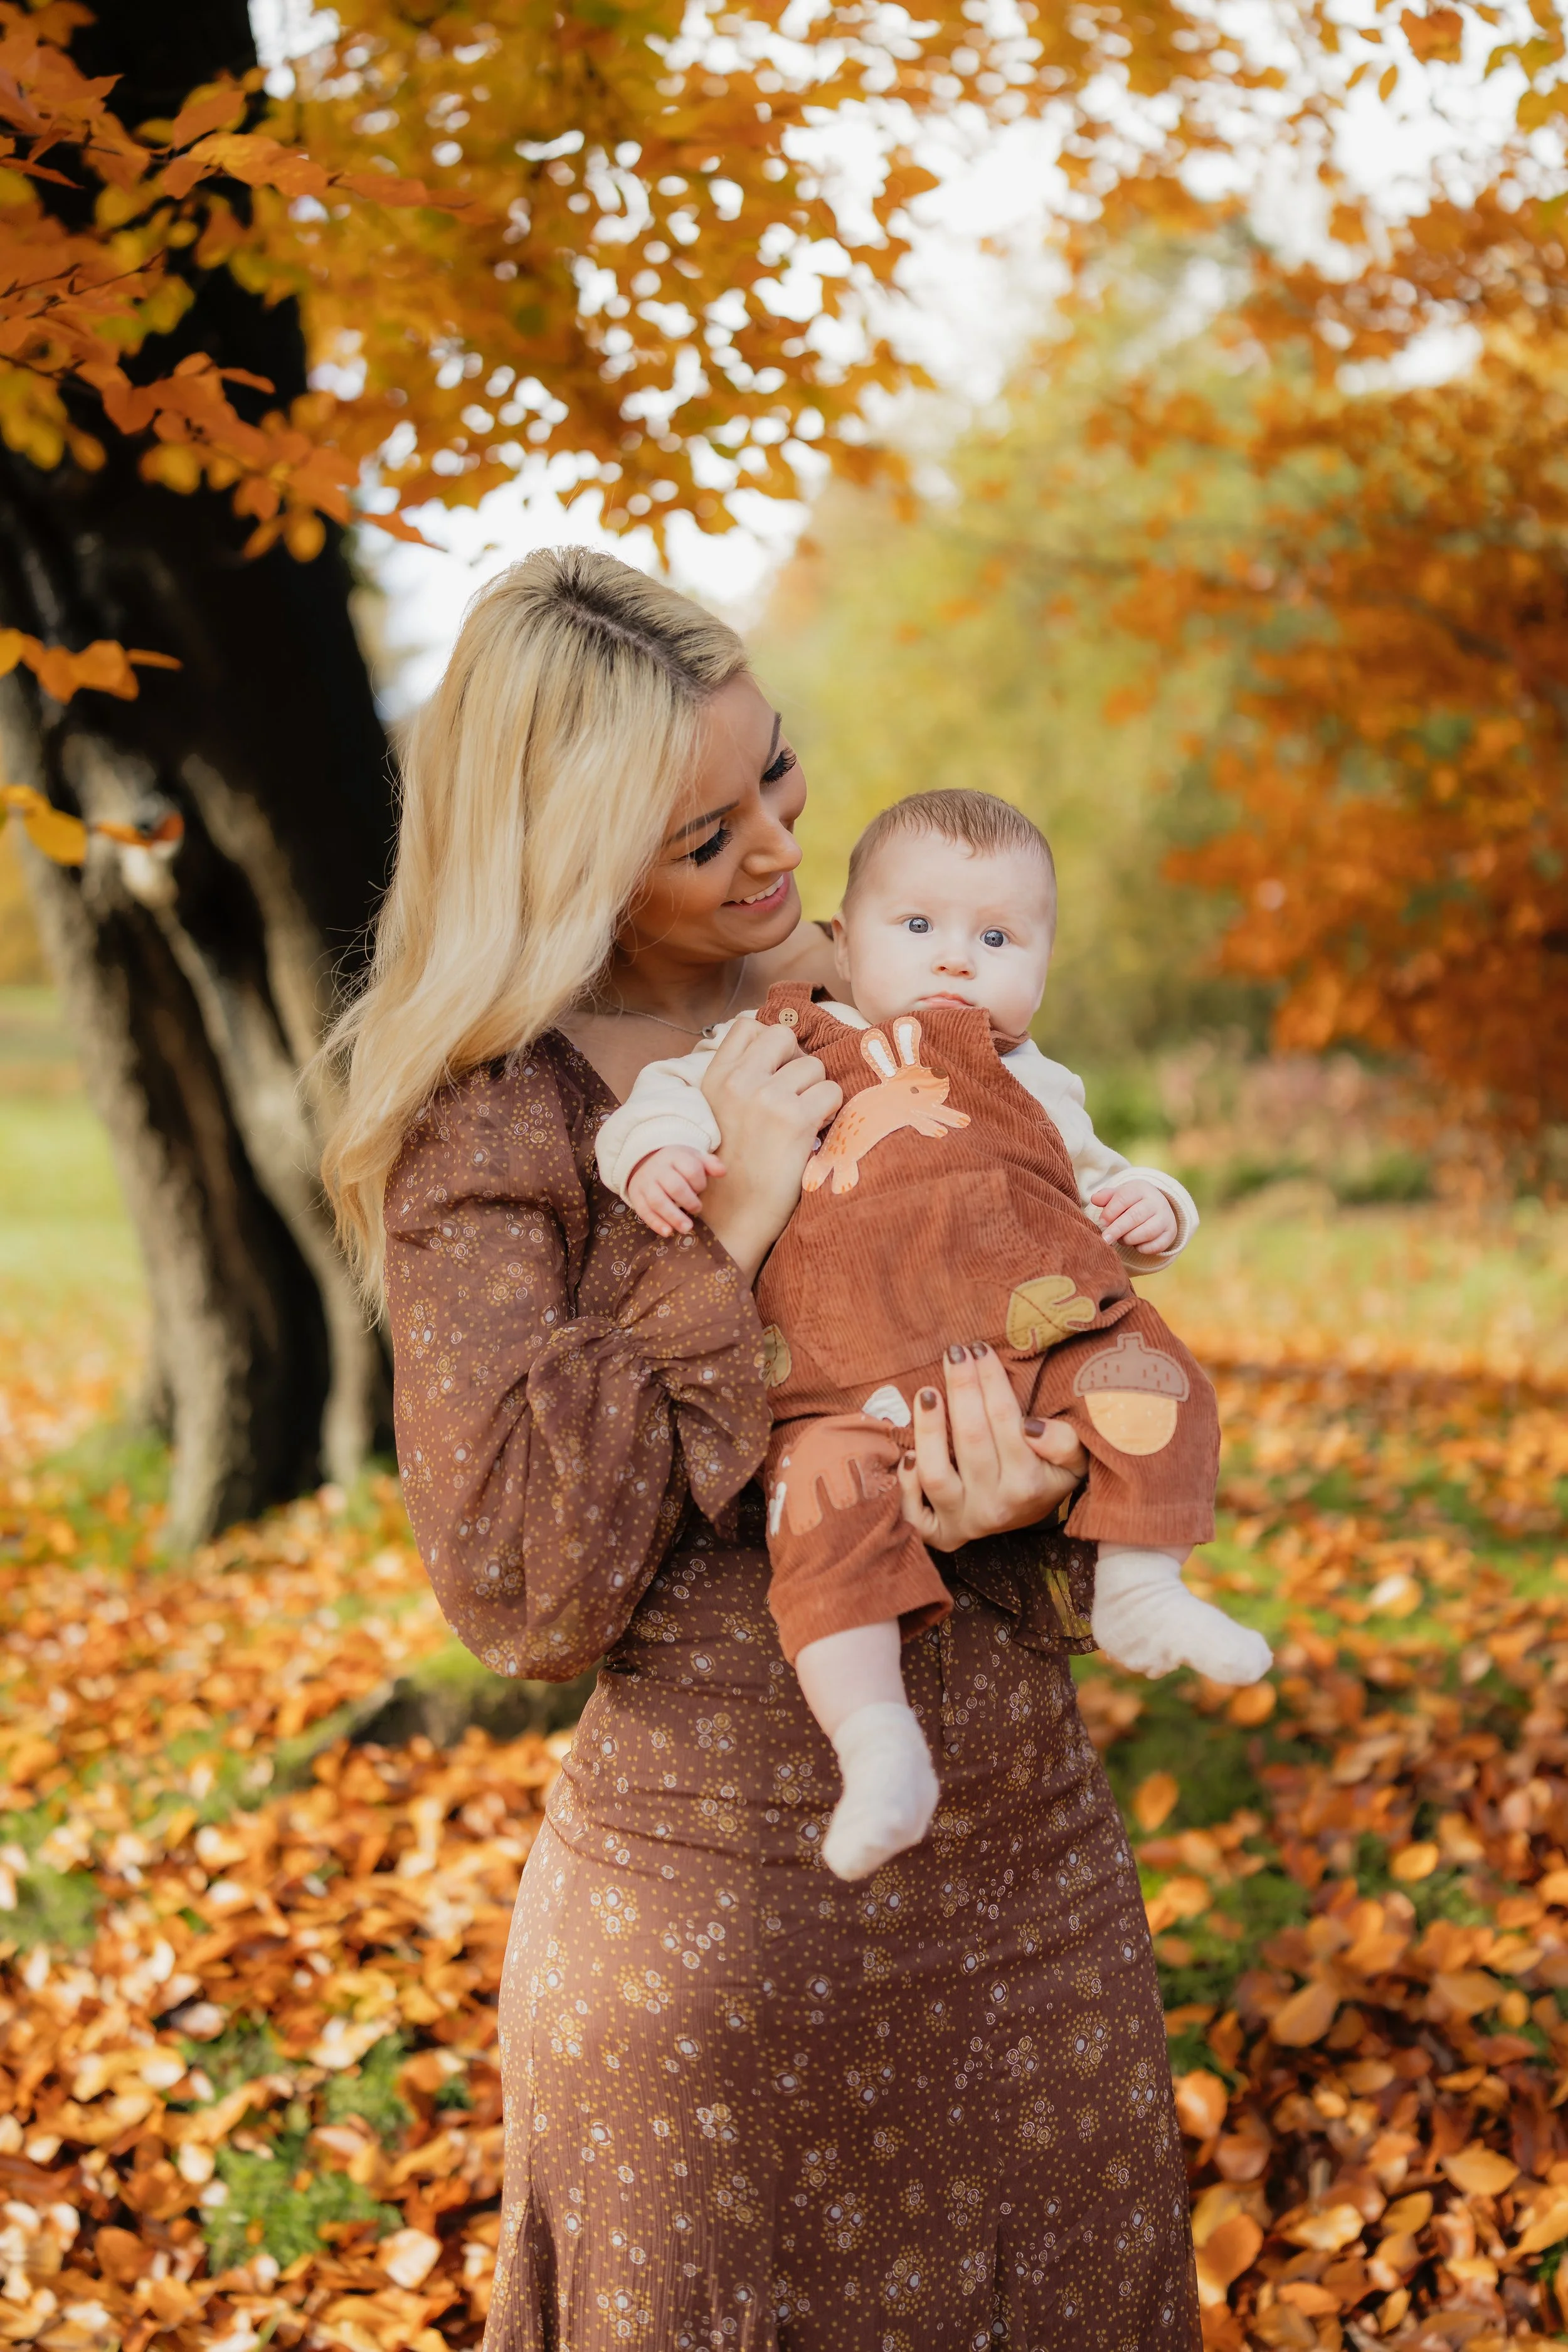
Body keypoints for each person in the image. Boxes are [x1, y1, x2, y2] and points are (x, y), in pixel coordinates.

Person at [323, 548, 1202, 2351]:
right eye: (700, 833)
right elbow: (520, 1587)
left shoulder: (906, 987)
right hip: (707, 1942)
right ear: (563, 855)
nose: (780, 852)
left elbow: (1055, 1277)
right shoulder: (490, 1113)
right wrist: (714, 1231)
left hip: (1024, 1880)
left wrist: (1034, 1473)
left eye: (775, 773)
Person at [595, 788, 1269, 1881]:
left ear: (1044, 964)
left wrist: (1155, 1205)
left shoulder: (1036, 1078)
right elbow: (662, 1101)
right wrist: (657, 1151)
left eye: (998, 938)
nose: (956, 959)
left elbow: (1093, 1185)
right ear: (846, 937)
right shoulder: (771, 1040)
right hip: (841, 1383)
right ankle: (877, 1744)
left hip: (1029, 1350)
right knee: (817, 1514)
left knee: (1151, 1373)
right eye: (918, 928)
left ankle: (1143, 1587)